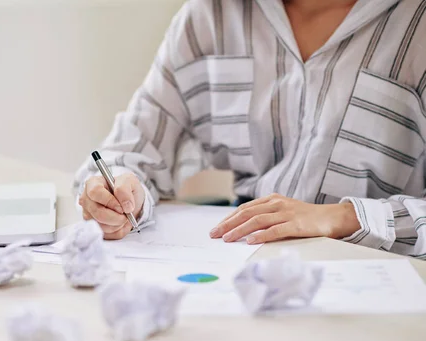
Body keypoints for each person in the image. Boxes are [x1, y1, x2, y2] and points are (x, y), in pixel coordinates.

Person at [74, 0, 426, 258]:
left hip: (383, 276)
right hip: (245, 263)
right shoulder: (210, 15)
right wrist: (117, 195)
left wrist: (343, 217)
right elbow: (130, 151)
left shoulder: (417, 22)